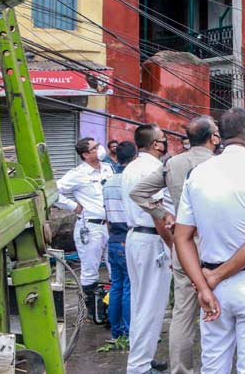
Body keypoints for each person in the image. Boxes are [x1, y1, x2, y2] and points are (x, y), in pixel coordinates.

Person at [174, 108, 245, 374]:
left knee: (213, 367)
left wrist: (203, 286)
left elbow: (181, 237)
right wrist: (214, 278)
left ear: (221, 136)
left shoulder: (196, 175)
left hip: (211, 285)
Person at [129, 116, 220, 374]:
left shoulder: (173, 164)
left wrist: (162, 214)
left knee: (183, 313)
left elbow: (138, 193)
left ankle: (181, 370)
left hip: (184, 244)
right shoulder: (220, 165)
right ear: (213, 137)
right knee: (222, 306)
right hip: (218, 245)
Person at [122, 124, 170, 374]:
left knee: (141, 303)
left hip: (135, 237)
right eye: (164, 139)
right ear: (155, 145)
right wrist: (173, 244)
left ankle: (141, 358)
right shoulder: (153, 169)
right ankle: (139, 366)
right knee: (151, 305)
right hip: (152, 239)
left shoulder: (131, 166)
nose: (166, 143)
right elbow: (157, 213)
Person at [56, 137, 114, 318]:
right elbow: (53, 191)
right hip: (91, 227)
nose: (100, 148)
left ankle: (110, 310)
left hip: (111, 227)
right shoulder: (78, 174)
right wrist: (73, 206)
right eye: (95, 147)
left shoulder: (107, 168)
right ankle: (92, 312)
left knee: (114, 268)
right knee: (90, 271)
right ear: (86, 154)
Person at [102, 141, 137, 342]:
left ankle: (117, 331)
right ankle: (129, 331)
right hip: (126, 236)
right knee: (129, 286)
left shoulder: (108, 182)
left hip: (113, 237)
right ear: (134, 158)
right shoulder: (129, 180)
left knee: (116, 285)